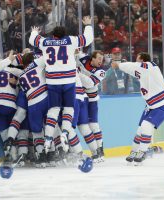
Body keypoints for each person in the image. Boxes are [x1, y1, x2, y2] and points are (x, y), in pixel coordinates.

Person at [29, 16, 94, 153]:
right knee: (69, 109)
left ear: (53, 35)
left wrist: (35, 32)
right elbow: (88, 39)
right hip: (69, 81)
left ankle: (48, 138)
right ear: (65, 34)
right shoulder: (70, 40)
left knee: (53, 110)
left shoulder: (46, 42)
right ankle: (65, 133)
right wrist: (88, 25)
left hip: (52, 82)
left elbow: (32, 40)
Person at [111, 52, 164, 164]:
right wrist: (121, 67)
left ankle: (143, 151)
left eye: (137, 59)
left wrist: (119, 65)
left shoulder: (150, 66)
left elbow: (133, 66)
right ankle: (134, 151)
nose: (136, 61)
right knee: (140, 130)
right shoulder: (141, 71)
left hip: (163, 103)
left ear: (143, 60)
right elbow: (132, 69)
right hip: (151, 105)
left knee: (146, 125)